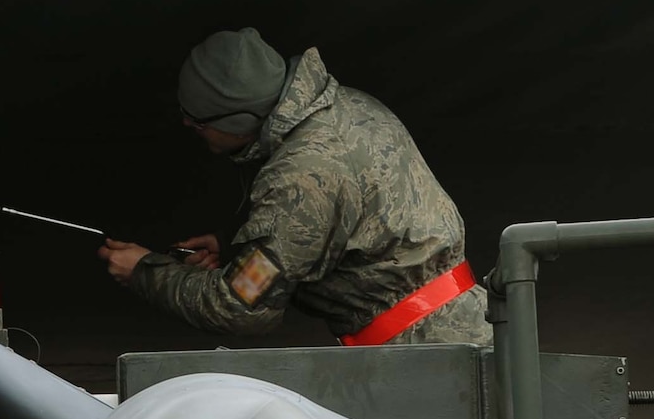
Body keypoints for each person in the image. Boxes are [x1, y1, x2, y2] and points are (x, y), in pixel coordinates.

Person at [98, 28, 492, 347]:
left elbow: (237, 305)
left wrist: (145, 272)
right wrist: (243, 251)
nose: (188, 126)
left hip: (426, 357)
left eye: (197, 122)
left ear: (237, 121)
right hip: (472, 325)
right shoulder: (349, 107)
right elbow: (335, 229)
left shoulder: (299, 178)